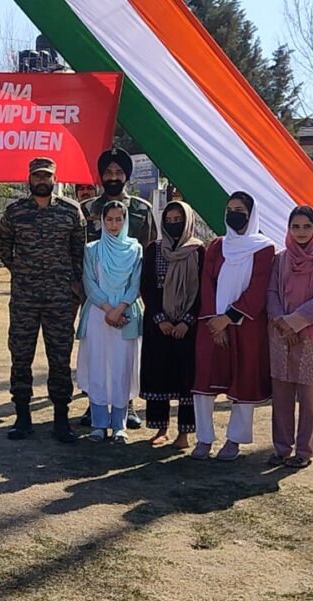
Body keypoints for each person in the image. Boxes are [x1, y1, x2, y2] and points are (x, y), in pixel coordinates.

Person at [0, 157, 85, 443]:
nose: (41, 181)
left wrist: (70, 287)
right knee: (20, 356)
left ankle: (61, 418)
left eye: (46, 176)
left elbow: (78, 253)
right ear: (29, 178)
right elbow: (4, 249)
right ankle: (22, 416)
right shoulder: (15, 212)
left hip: (60, 299)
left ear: (54, 178)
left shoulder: (71, 212)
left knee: (59, 358)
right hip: (25, 298)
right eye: (37, 176)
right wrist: (24, 273)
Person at [191, 191, 275, 461]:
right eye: (229, 208)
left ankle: (234, 440)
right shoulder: (217, 245)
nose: (233, 213)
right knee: (204, 381)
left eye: (239, 209)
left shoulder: (264, 248)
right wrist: (216, 323)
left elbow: (258, 288)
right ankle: (204, 438)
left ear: (250, 215)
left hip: (245, 326)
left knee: (243, 379)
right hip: (212, 325)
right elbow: (207, 284)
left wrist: (229, 317)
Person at [81, 147, 157, 430]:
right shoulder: (87, 209)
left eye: (119, 172)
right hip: (96, 298)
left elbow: (149, 253)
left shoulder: (141, 209)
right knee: (97, 355)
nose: (113, 177)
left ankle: (128, 408)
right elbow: (79, 254)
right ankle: (95, 407)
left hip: (129, 298)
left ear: (127, 175)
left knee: (126, 356)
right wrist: (91, 297)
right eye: (108, 172)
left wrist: (132, 299)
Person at [267, 206, 313, 469]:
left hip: (311, 335)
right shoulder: (281, 259)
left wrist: (294, 324)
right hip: (280, 335)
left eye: (306, 226)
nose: (301, 232)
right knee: (282, 395)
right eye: (295, 227)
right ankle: (282, 449)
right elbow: (271, 293)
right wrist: (282, 324)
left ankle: (304, 451)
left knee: (309, 398)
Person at [75, 201, 143, 443]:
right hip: (97, 315)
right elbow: (89, 283)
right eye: (109, 219)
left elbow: (135, 284)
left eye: (119, 219)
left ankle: (119, 426)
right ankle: (98, 424)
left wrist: (120, 308)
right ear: (102, 222)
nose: (114, 225)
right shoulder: (92, 249)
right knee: (98, 368)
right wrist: (107, 309)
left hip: (125, 318)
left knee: (121, 369)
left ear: (126, 222)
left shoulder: (135, 249)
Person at [140, 201, 205, 448]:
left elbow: (202, 290)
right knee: (159, 374)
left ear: (187, 221)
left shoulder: (198, 251)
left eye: (179, 218)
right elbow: (146, 286)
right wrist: (161, 319)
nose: (173, 223)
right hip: (159, 324)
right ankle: (161, 429)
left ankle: (184, 434)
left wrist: (187, 321)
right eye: (169, 219)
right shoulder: (154, 249)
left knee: (186, 378)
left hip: (188, 327)